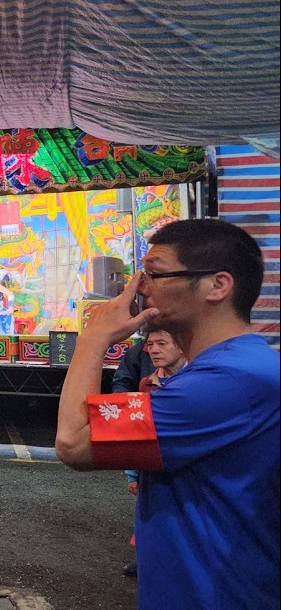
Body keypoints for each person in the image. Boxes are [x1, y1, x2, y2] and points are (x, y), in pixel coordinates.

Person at [55, 218, 278, 609]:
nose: (139, 287)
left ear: (217, 286)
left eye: (154, 274)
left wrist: (93, 337)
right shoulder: (233, 369)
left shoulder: (226, 381)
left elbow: (74, 443)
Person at [119, 329, 187, 578]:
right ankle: (146, 560)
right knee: (148, 513)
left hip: (185, 463)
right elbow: (138, 431)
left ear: (181, 347)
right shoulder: (146, 384)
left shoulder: (196, 381)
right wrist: (131, 473)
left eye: (162, 343)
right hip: (151, 464)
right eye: (150, 344)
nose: (154, 350)